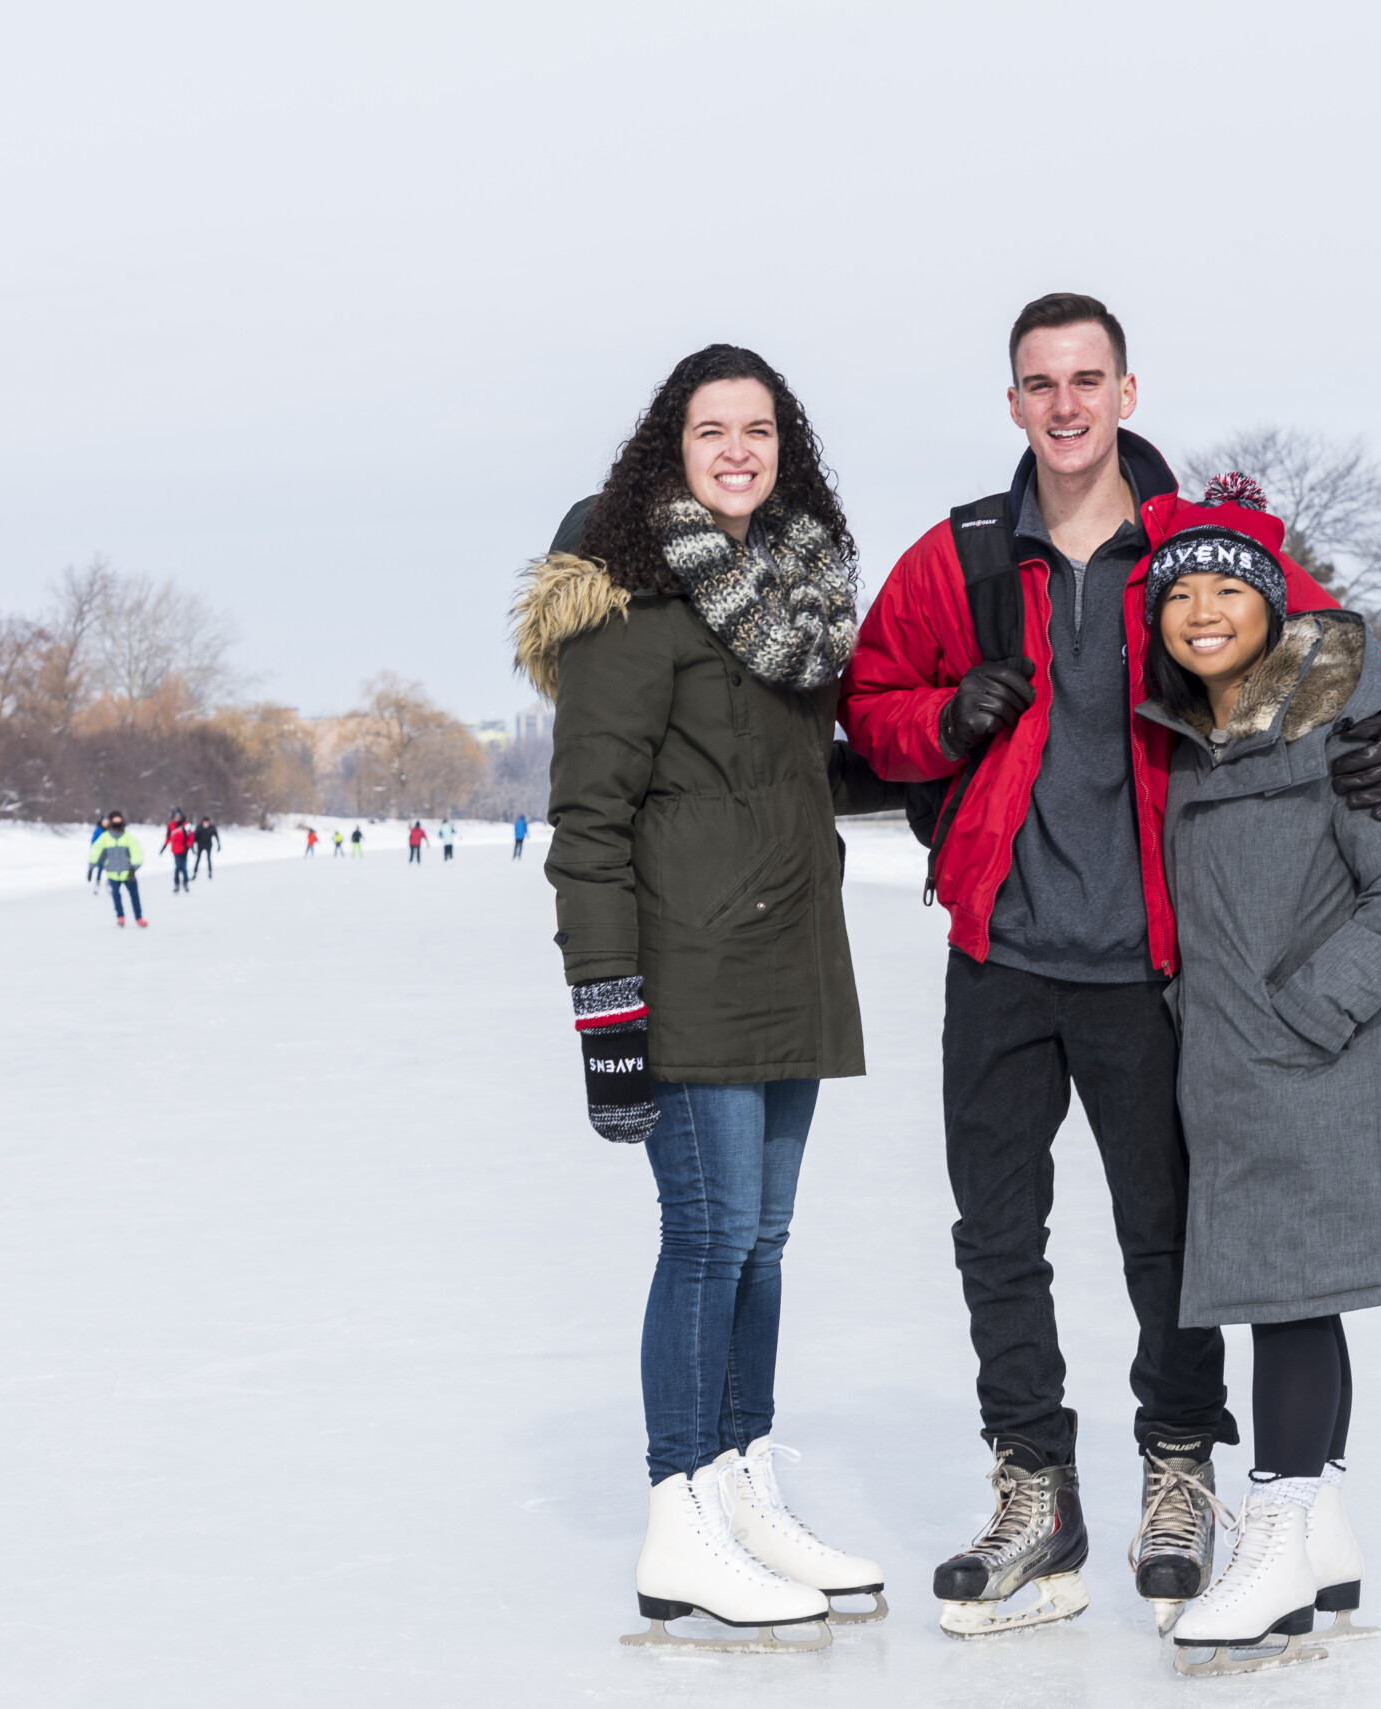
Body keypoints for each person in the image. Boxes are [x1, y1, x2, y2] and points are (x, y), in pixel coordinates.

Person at [839, 294, 1381, 1636]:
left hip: (1148, 959)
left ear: (1127, 390)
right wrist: (945, 716)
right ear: (1012, 403)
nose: (1063, 405)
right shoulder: (957, 556)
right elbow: (871, 704)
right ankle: (1033, 1485)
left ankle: (1180, 1465)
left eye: (1086, 379)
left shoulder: (1191, 552)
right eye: (1037, 383)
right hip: (1000, 949)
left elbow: (1336, 658)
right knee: (995, 1235)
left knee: (1166, 1239)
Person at [518, 343, 899, 1652]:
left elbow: (791, 782)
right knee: (709, 1232)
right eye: (710, 430)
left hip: (790, 956)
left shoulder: (789, 600)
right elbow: (588, 823)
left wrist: (936, 751)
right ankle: (680, 1513)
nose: (737, 449)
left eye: (758, 429)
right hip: (685, 967)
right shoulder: (632, 604)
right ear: (667, 450)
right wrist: (605, 1010)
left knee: (766, 1241)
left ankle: (744, 1482)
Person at [1132, 525, 1381, 1672]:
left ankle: (1274, 1535)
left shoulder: (1344, 721)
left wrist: (1304, 1014)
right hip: (1234, 1064)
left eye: (1230, 588)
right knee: (1297, 1297)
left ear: (1272, 607)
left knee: (1286, 1295)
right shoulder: (1187, 737)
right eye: (1182, 592)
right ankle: (1319, 1530)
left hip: (1322, 1057)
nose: (1204, 609)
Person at [87, 811, 149, 928]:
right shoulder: (104, 838)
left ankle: (139, 917)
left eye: (118, 822)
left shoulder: (128, 838)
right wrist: (91, 867)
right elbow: (96, 851)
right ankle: (120, 917)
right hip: (112, 874)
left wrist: (133, 868)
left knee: (134, 895)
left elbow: (137, 852)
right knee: (116, 896)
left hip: (127, 873)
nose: (116, 825)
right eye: (114, 822)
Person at [164, 813, 196, 894]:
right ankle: (177, 884)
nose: (176, 819)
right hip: (175, 850)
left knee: (184, 868)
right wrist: (164, 847)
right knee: (178, 868)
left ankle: (185, 883)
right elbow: (168, 837)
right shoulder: (171, 825)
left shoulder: (186, 826)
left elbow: (191, 837)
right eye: (175, 817)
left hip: (184, 850)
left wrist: (188, 847)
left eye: (178, 817)